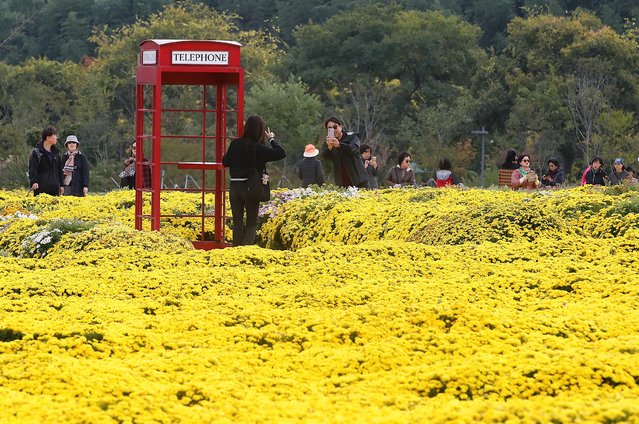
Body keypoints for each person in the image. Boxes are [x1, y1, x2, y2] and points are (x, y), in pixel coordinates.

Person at [222, 115, 286, 246]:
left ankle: (235, 253)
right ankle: (245, 253)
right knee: (251, 223)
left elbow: (225, 162)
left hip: (234, 186)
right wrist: (271, 139)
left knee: (237, 223)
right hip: (250, 187)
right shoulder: (258, 148)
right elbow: (280, 153)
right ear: (260, 131)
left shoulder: (235, 144)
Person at [322, 117, 369, 188]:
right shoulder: (328, 142)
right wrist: (330, 147)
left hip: (359, 180)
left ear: (340, 127)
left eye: (335, 127)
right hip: (342, 182)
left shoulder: (352, 136)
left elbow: (354, 148)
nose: (333, 130)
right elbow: (324, 157)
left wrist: (339, 145)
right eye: (330, 128)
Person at [28, 126, 64, 196]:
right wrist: (33, 182)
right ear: (48, 138)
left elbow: (59, 170)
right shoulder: (37, 152)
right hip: (41, 188)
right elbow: (32, 169)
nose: (56, 138)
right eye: (54, 135)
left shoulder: (56, 153)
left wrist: (61, 185)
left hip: (55, 189)